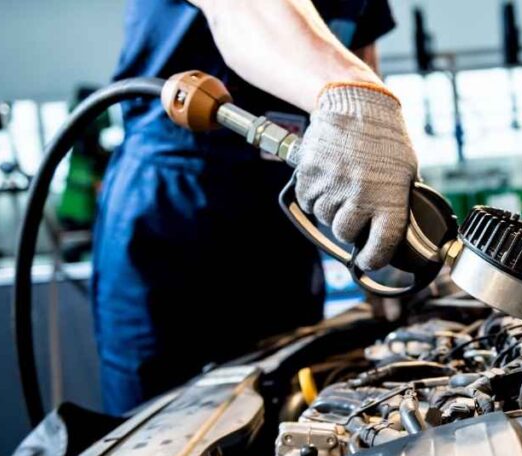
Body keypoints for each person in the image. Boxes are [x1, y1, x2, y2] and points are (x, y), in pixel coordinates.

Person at [95, 0, 417, 414]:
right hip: (172, 203)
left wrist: (385, 228)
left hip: (281, 205)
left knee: (288, 405)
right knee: (154, 423)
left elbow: (368, 90)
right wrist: (351, 93)